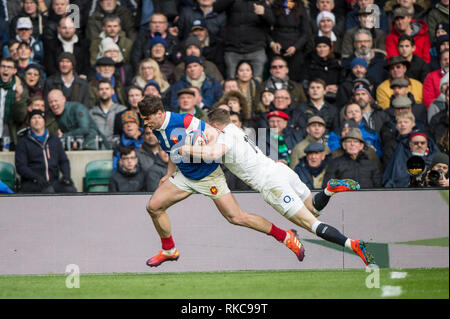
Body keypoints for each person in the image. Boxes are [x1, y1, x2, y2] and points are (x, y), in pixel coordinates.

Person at [180, 108, 373, 266]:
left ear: (214, 126)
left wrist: (185, 149)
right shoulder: (236, 129)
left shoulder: (223, 137)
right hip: (281, 170)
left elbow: (214, 153)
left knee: (312, 224)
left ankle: (353, 245)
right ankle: (329, 190)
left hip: (272, 185)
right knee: (313, 208)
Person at [138, 95, 308, 267]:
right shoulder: (157, 127)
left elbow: (213, 134)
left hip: (209, 175)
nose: (145, 123)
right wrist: (169, 174)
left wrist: (199, 150)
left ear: (159, 113)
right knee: (153, 207)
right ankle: (169, 250)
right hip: (185, 176)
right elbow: (173, 151)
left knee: (237, 217)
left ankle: (286, 237)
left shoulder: (184, 120)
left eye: (147, 119)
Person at [15, 109, 77, 193]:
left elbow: (63, 161)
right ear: (30, 122)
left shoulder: (54, 139)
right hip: (32, 182)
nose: (37, 120)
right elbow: (21, 167)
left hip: (53, 181)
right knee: (48, 191)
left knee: (70, 189)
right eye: (33, 118)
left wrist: (66, 175)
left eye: (40, 118)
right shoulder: (23, 142)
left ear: (44, 121)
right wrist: (36, 177)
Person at [213, 0, 274, 81]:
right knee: (231, 82)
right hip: (233, 49)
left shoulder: (260, 1)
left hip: (256, 49)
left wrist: (264, 13)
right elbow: (216, 8)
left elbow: (272, 21)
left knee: (257, 82)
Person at [268, 0, 311, 82]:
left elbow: (306, 33)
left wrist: (295, 47)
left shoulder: (301, 7)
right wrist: (272, 43)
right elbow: (265, 29)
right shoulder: (274, 6)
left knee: (294, 79)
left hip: (295, 51)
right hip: (277, 50)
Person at [0, 57, 29, 150]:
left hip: (10, 135)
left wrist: (18, 98)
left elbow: (20, 117)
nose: (5, 69)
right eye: (3, 66)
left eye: (9, 67)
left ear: (14, 71)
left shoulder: (21, 91)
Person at [89, 80, 127, 147]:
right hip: (98, 148)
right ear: (97, 92)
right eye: (101, 89)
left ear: (112, 91)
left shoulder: (122, 110)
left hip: (118, 149)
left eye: (107, 89)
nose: (104, 91)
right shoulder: (91, 112)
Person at [304, 36, 341, 100]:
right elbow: (305, 82)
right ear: (315, 48)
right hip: (315, 97)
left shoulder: (337, 64)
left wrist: (337, 87)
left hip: (334, 96)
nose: (322, 49)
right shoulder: (309, 63)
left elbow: (342, 81)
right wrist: (322, 89)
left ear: (330, 48)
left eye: (324, 46)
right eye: (319, 47)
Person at [136, 125, 169, 192]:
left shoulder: (168, 152)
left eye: (154, 133)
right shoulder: (137, 154)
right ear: (143, 136)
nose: (151, 136)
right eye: (147, 133)